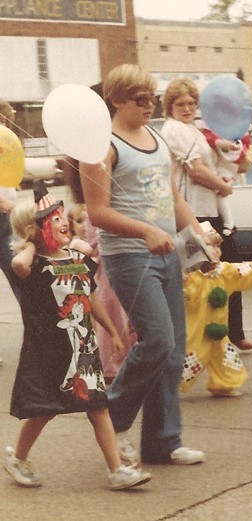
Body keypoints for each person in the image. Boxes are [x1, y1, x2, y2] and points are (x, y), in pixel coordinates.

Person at [81, 63, 207, 466]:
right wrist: (145, 231)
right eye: (141, 99)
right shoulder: (101, 146)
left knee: (172, 352)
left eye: (153, 97)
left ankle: (163, 441)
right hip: (130, 256)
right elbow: (97, 213)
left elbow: (174, 198)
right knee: (157, 341)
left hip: (168, 252)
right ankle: (113, 421)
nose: (150, 105)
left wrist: (199, 240)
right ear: (117, 99)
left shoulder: (156, 137)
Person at [3, 186, 152, 490]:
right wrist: (32, 242)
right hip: (49, 351)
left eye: (62, 216)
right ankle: (17, 457)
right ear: (34, 229)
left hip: (82, 348)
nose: (63, 222)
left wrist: (111, 330)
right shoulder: (32, 265)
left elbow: (91, 297)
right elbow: (18, 264)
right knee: (44, 410)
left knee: (98, 406)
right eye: (53, 219)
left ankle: (117, 471)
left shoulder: (77, 259)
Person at [159, 79, 252, 354]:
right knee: (199, 276)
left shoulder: (194, 129)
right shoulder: (175, 130)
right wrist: (223, 186)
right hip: (192, 211)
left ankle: (233, 333)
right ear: (170, 107)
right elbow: (196, 170)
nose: (187, 108)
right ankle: (202, 341)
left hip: (210, 209)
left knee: (228, 269)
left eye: (191, 103)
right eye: (180, 104)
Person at [63, 160, 136, 382]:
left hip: (115, 270)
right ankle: (112, 364)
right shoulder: (95, 215)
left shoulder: (99, 210)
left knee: (123, 316)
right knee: (114, 316)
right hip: (108, 275)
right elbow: (94, 248)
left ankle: (124, 360)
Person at [179, 222, 252, 397]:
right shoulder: (191, 277)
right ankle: (167, 385)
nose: (216, 250)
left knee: (226, 358)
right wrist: (183, 285)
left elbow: (244, 272)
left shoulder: (224, 271)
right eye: (210, 246)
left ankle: (224, 384)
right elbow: (185, 297)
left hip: (219, 332)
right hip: (196, 332)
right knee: (190, 359)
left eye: (218, 246)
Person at [0, 99, 21, 367]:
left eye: (5, 121)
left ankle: (38, 341)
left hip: (6, 222)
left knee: (21, 276)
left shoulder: (6, 147)